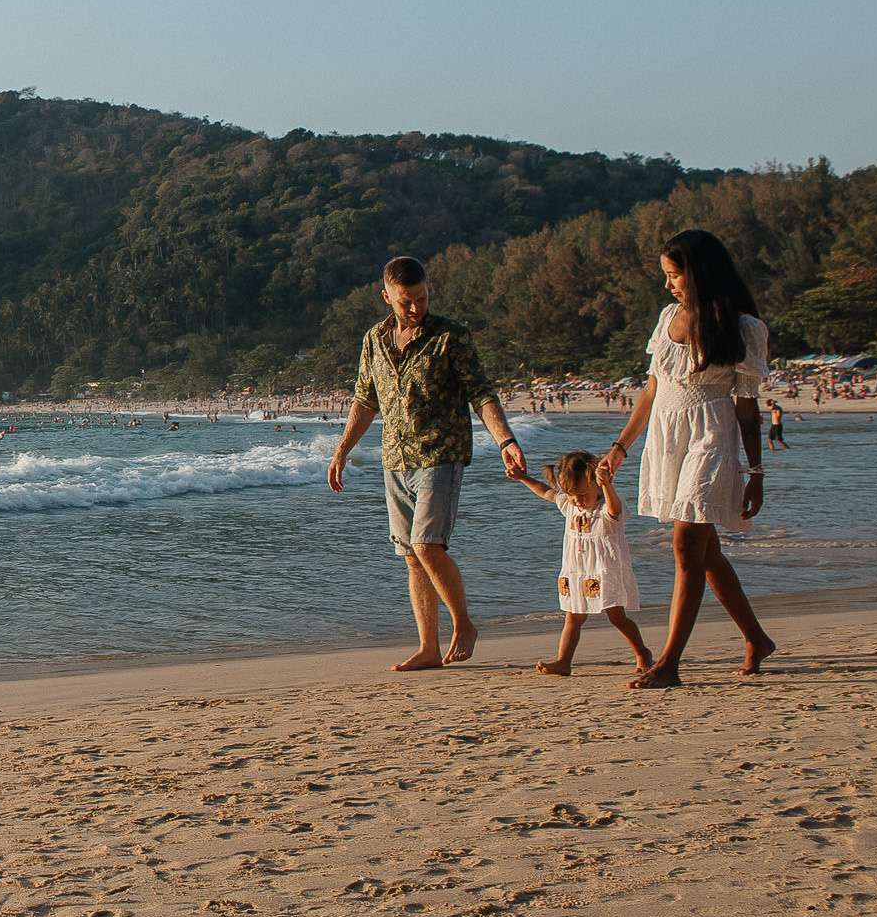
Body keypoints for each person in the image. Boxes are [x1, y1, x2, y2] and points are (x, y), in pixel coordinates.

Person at [328, 255, 528, 670]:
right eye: (406, 301)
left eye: (421, 297)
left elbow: (481, 393)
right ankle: (429, 648)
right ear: (387, 297)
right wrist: (342, 450)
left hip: (441, 454)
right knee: (411, 555)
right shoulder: (374, 339)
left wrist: (505, 440)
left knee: (426, 545)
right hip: (395, 458)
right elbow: (365, 400)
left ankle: (464, 624)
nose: (416, 307)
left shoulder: (451, 335)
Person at [598, 228, 776, 689]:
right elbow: (652, 389)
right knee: (705, 552)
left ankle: (670, 663)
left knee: (685, 545)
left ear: (699, 273)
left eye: (674, 275)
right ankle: (757, 638)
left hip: (711, 437)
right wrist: (619, 448)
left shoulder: (744, 327)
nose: (668, 284)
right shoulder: (667, 317)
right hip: (668, 438)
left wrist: (755, 473)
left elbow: (747, 407)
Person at [507, 451, 650, 676]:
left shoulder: (605, 506)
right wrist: (522, 477)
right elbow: (546, 492)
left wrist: (607, 485)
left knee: (617, 616)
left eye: (583, 494)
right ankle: (564, 661)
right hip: (577, 571)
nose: (577, 500)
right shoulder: (570, 505)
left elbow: (615, 511)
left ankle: (642, 653)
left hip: (604, 570)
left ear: (596, 484)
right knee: (572, 617)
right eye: (571, 494)